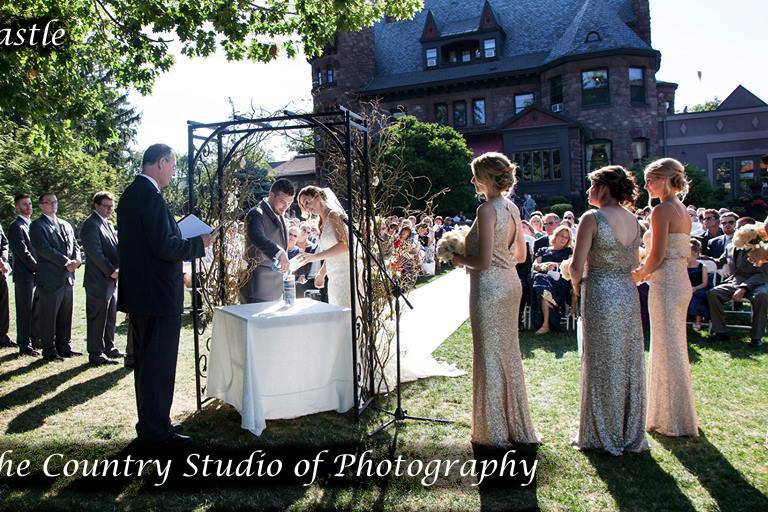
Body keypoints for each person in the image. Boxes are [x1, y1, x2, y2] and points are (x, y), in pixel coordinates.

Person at [117, 143, 213, 446]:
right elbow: (165, 247)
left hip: (144, 295)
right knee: (157, 367)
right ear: (160, 163)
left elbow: (153, 242)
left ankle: (153, 424)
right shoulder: (150, 197)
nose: (174, 172)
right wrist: (200, 244)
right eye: (172, 165)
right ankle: (156, 433)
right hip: (158, 296)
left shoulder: (132, 194)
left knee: (148, 367)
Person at [452, 152, 539, 446]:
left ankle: (494, 431)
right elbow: (522, 255)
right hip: (511, 283)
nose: (472, 180)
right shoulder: (513, 208)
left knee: (489, 354)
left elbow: (483, 260)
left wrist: (457, 257)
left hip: (489, 288)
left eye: (476, 175)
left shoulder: (487, 210)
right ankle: (516, 425)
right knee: (508, 354)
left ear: (487, 178)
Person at [570, 165, 648, 455]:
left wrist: (575, 285)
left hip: (601, 291)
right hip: (627, 292)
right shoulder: (635, 220)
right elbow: (632, 262)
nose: (589, 191)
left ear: (603, 188)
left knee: (602, 360)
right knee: (627, 359)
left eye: (592, 185)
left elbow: (577, 266)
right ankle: (628, 430)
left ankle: (601, 433)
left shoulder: (592, 218)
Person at [632, 157, 699, 437]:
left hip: (666, 284)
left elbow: (658, 255)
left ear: (666, 179)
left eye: (651, 179)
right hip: (679, 281)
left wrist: (638, 275)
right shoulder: (682, 209)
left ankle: (673, 418)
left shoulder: (661, 211)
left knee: (666, 347)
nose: (647, 185)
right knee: (673, 346)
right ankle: (677, 412)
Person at [30, 193, 81, 362]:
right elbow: (43, 249)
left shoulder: (65, 224)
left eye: (55, 202)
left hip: (68, 277)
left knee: (66, 315)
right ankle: (49, 350)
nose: (53, 205)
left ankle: (64, 346)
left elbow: (75, 245)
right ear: (41, 206)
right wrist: (66, 262)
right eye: (48, 202)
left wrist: (77, 260)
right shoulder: (37, 226)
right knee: (49, 316)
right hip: (50, 278)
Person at [707, 217, 768, 348]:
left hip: (757, 283)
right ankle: (720, 332)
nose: (739, 228)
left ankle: (756, 337)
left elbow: (762, 273)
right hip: (735, 281)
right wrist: (699, 257)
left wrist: (744, 288)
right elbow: (720, 261)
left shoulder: (762, 247)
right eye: (738, 226)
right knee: (713, 293)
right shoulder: (731, 246)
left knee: (762, 296)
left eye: (743, 226)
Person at [81, 191, 123, 366]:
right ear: (96, 205)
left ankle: (109, 347)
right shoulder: (91, 224)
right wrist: (111, 270)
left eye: (112, 206)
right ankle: (96, 352)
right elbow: (95, 252)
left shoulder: (107, 223)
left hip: (111, 279)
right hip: (98, 279)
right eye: (106, 206)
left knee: (110, 316)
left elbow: (115, 248)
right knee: (97, 318)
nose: (110, 209)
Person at [294, 186, 352, 308]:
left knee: (347, 312)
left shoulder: (333, 215)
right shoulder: (320, 221)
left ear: (317, 196)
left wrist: (314, 257)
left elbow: (345, 245)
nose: (307, 208)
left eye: (307, 202)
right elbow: (330, 251)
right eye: (304, 206)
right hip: (333, 275)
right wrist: (322, 272)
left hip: (346, 273)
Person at [240, 179, 295, 303]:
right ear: (271, 195)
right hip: (258, 286)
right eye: (282, 201)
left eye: (289, 203)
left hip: (278, 287)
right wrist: (279, 252)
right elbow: (256, 236)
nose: (286, 206)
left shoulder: (281, 214)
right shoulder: (256, 213)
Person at [8, 194, 40, 355]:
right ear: (17, 207)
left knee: (36, 310)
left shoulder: (32, 225)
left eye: (29, 203)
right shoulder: (16, 226)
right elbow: (23, 252)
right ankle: (24, 344)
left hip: (37, 275)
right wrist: (37, 268)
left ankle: (35, 339)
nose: (28, 207)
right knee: (24, 310)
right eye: (24, 204)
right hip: (24, 276)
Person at [532, 225, 573, 335]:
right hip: (543, 278)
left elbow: (569, 265)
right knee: (540, 279)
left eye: (566, 237)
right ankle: (550, 304)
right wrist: (544, 266)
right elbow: (535, 265)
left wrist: (555, 264)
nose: (563, 239)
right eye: (561, 236)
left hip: (560, 281)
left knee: (541, 285)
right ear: (555, 235)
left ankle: (545, 325)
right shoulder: (543, 250)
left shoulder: (568, 251)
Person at [687, 239, 710, 331]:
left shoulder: (702, 266)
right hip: (687, 288)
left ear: (695, 253)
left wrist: (695, 288)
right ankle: (688, 317)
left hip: (700, 288)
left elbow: (705, 283)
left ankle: (698, 319)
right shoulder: (683, 266)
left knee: (697, 296)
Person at [0, 221, 14, 348]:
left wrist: (3, 260)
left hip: (1, 270)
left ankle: (3, 336)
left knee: (3, 304)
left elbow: (4, 242)